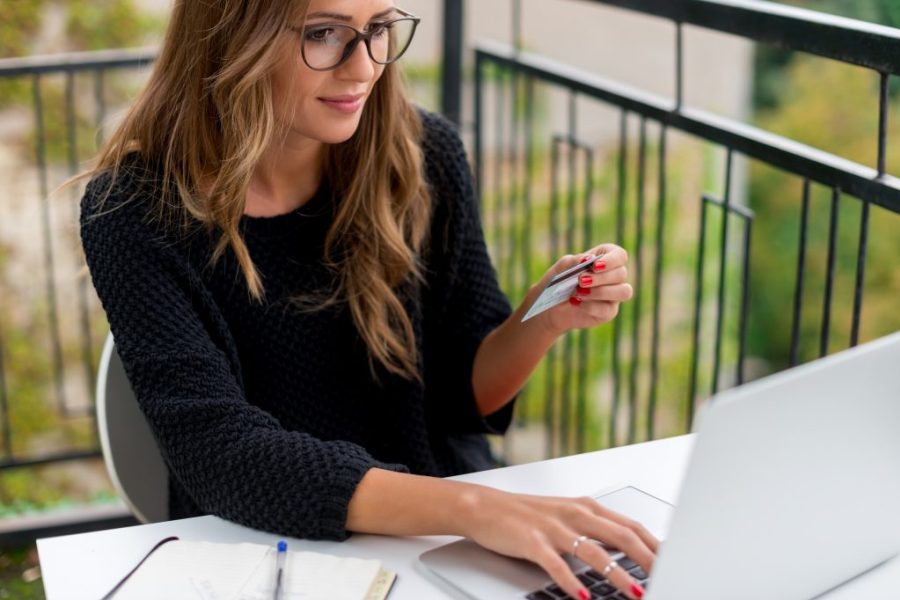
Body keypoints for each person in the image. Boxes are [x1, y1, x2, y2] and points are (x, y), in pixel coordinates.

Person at [79, 1, 653, 598]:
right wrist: (474, 507)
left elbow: (463, 397)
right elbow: (220, 452)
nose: (364, 68)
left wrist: (541, 320)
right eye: (325, 34)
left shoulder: (424, 156)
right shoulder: (132, 213)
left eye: (379, 29)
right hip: (269, 556)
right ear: (232, 35)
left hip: (443, 543)